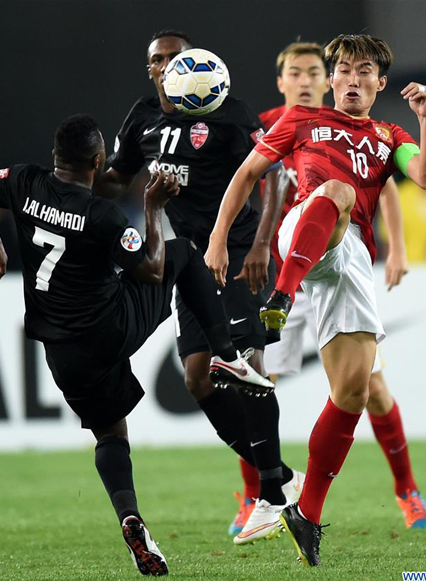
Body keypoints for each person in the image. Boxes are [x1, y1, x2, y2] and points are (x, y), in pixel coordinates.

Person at [0, 114, 275, 576]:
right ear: (99, 161)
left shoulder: (23, 181)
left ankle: (131, 519)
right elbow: (154, 270)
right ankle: (225, 355)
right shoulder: (100, 214)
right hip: (110, 328)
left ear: (55, 156)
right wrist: (153, 207)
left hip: (61, 348)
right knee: (181, 253)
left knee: (110, 434)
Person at [205, 34, 426, 567]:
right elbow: (247, 174)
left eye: (365, 72)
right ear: (331, 79)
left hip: (349, 257)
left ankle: (305, 515)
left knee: (354, 392)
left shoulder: (389, 134)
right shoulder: (299, 121)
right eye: (344, 70)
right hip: (303, 233)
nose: (352, 79)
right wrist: (219, 238)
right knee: (334, 192)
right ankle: (281, 303)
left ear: (381, 84)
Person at [95, 30, 304, 545]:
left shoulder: (229, 114)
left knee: (248, 370)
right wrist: (71, 180)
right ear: (150, 70)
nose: (168, 65)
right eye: (159, 60)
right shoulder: (143, 118)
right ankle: (278, 476)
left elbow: (274, 176)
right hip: (188, 261)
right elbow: (116, 180)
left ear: (196, 63)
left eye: (177, 57)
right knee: (196, 379)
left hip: (235, 256)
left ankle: (272, 495)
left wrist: (260, 246)